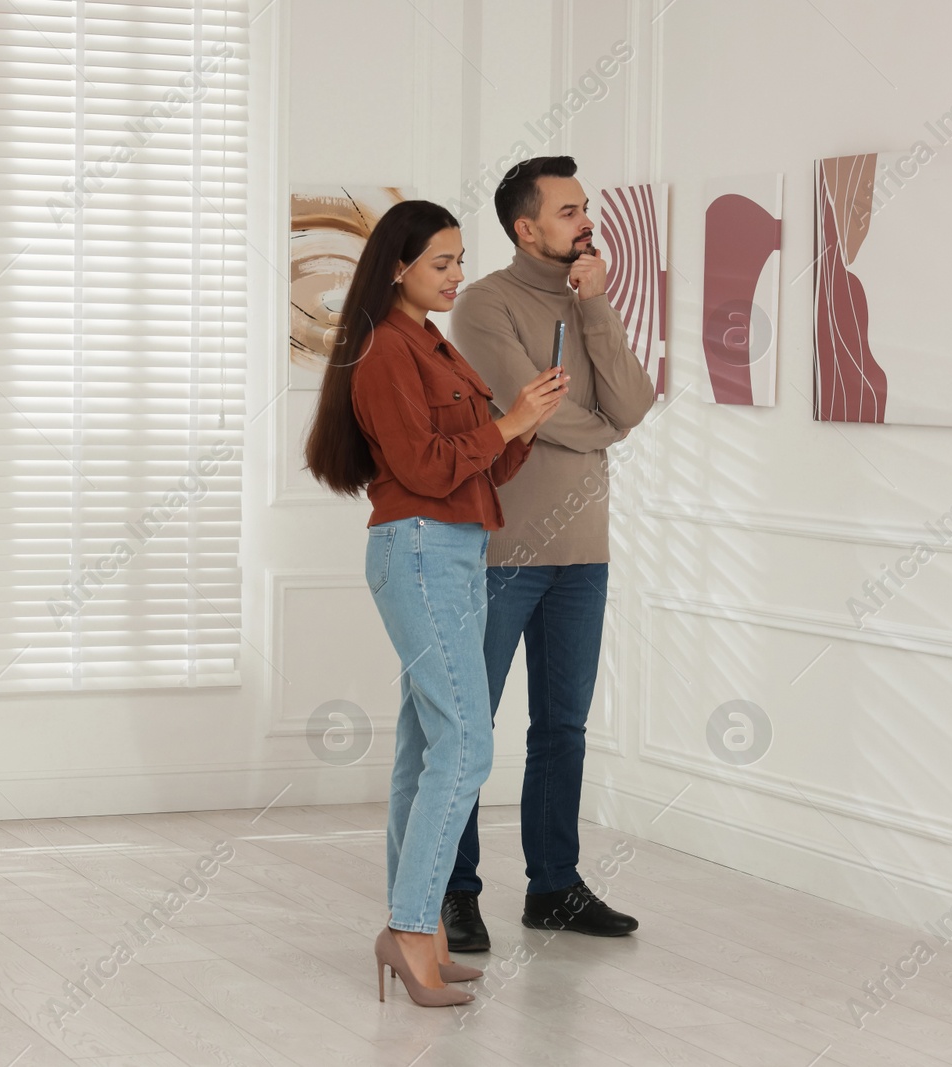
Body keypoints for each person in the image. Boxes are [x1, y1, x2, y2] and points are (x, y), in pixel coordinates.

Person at [303, 200, 567, 1006]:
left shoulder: (428, 342)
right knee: (468, 745)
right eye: (442, 263)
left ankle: (414, 925)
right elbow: (421, 466)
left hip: (452, 546)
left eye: (459, 260)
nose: (457, 275)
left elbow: (473, 469)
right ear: (397, 267)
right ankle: (414, 927)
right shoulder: (385, 348)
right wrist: (508, 423)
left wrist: (521, 423)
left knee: (428, 745)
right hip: (420, 550)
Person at [443, 157, 656, 951]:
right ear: (525, 227)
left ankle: (554, 887)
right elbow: (532, 411)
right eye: (569, 211)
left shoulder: (587, 298)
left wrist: (596, 308)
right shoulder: (482, 305)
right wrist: (604, 426)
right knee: (470, 728)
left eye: (585, 208)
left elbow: (630, 401)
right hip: (503, 553)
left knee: (562, 728)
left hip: (583, 552)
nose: (585, 221)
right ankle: (454, 889)